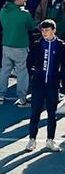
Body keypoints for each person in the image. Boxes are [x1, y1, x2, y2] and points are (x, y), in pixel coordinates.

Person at [28, 19, 65, 152]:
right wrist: (33, 74)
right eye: (43, 30)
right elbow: (29, 61)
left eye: (47, 30)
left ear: (54, 30)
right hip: (38, 84)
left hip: (52, 85)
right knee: (35, 113)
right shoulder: (37, 44)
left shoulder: (61, 45)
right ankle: (32, 140)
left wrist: (61, 81)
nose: (44, 33)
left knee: (51, 114)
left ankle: (50, 140)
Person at [0, 0, 35, 107]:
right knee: (22, 72)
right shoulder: (24, 13)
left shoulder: (3, 11)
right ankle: (22, 98)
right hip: (20, 46)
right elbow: (31, 26)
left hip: (6, 45)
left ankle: (1, 95)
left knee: (5, 71)